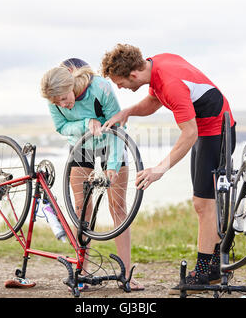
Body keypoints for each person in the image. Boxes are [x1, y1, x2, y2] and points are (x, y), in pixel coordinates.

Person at [100, 44, 236, 292]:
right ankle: (214, 267)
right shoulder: (155, 65)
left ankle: (204, 274)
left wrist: (159, 169)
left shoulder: (171, 83)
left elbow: (189, 132)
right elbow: (154, 101)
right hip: (207, 131)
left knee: (203, 203)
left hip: (217, 131)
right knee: (203, 202)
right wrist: (127, 112)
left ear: (133, 75)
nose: (119, 88)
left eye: (119, 83)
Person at [40, 58, 144, 291]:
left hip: (112, 142)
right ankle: (82, 271)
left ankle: (126, 274)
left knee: (117, 207)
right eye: (56, 102)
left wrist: (113, 168)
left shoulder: (101, 88)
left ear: (71, 87)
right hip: (81, 144)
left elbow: (118, 126)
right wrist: (87, 122)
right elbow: (62, 127)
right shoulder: (54, 98)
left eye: (64, 99)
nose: (63, 105)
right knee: (81, 207)